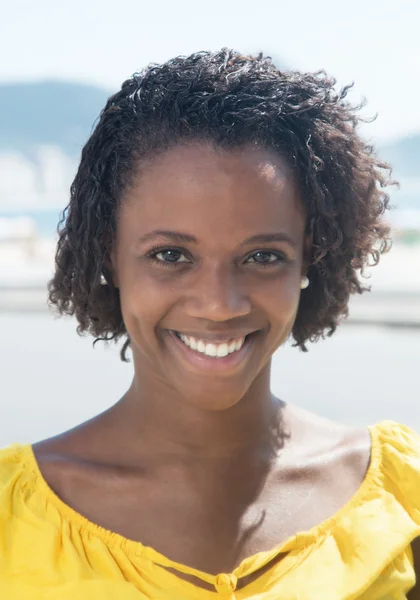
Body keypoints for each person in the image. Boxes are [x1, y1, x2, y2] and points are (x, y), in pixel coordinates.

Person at [0, 49, 419, 599]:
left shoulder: (398, 498)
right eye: (171, 255)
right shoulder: (11, 518)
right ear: (109, 256)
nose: (220, 305)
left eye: (262, 256)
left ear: (310, 259)